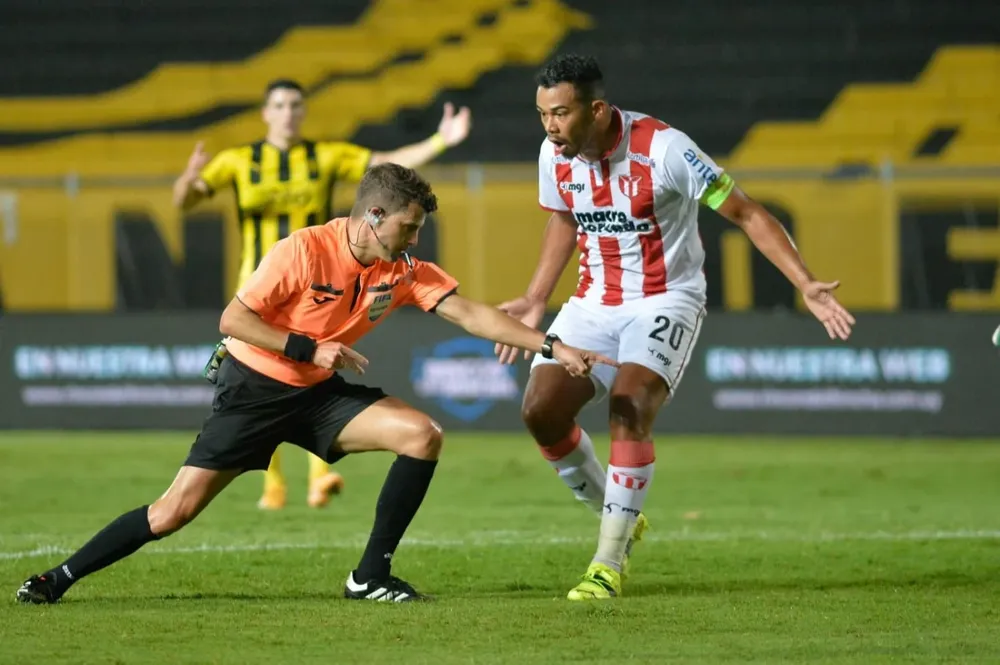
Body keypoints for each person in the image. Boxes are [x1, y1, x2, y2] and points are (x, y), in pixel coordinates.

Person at [17, 163, 617, 605]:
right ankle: (58, 578)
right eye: (408, 227)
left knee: (422, 435)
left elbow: (470, 313)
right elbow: (233, 320)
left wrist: (553, 345)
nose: (415, 240)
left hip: (317, 393)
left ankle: (370, 578)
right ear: (373, 217)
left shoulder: (402, 268)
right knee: (173, 513)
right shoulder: (304, 250)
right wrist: (309, 347)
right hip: (254, 391)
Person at [494, 54, 857, 600]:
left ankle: (607, 563)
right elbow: (564, 217)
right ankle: (619, 511)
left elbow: (746, 212)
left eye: (561, 113)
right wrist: (535, 297)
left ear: (596, 110)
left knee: (629, 406)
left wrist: (804, 282)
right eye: (543, 114)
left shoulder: (665, 150)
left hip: (666, 299)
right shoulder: (554, 154)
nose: (549, 126)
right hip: (594, 301)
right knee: (540, 411)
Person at [172, 78, 473, 511]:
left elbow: (387, 168)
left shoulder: (325, 156)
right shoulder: (237, 161)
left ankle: (319, 475)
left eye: (296, 104)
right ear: (266, 112)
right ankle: (273, 484)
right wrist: (186, 181)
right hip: (260, 285)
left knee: (315, 375)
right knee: (265, 380)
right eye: (279, 105)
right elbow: (186, 201)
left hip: (321, 283)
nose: (288, 112)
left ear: (303, 111)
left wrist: (439, 141)